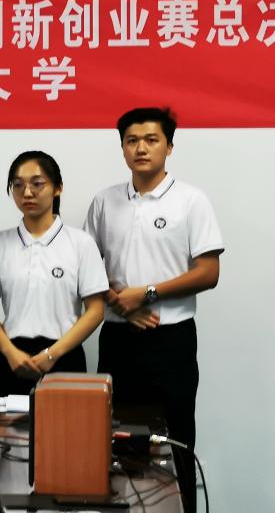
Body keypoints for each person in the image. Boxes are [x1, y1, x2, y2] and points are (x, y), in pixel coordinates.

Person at [84, 107, 223, 513]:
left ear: (169, 146)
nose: (141, 148)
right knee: (114, 442)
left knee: (174, 442)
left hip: (171, 342)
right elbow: (87, 268)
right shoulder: (104, 201)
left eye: (151, 140)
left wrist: (145, 294)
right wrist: (122, 304)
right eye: (132, 141)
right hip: (117, 338)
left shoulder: (191, 200)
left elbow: (209, 272)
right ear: (122, 148)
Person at [0, 151, 107, 397]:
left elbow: (96, 310)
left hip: (64, 357)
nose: (27, 192)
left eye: (37, 183)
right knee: (6, 424)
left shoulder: (81, 243)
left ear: (58, 188)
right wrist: (10, 352)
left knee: (66, 422)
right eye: (18, 185)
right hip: (11, 359)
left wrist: (52, 354)